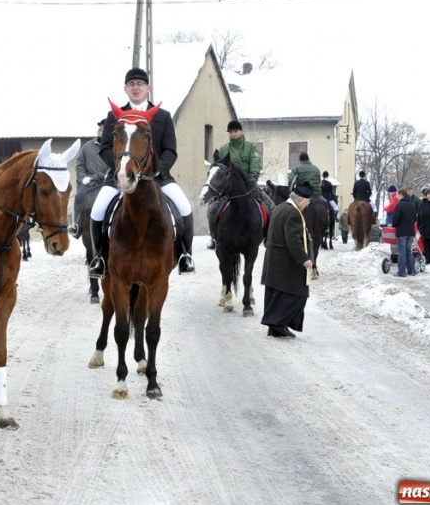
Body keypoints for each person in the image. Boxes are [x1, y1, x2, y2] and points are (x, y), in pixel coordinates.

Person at [87, 67, 195, 277]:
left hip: (157, 178)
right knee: (97, 210)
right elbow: (105, 147)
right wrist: (120, 168)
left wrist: (156, 171)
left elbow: (171, 150)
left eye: (140, 84)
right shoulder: (114, 115)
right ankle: (99, 257)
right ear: (125, 89)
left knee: (185, 207)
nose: (135, 88)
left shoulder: (163, 117)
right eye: (131, 84)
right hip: (121, 176)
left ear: (148, 88)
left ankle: (184, 255)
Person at [206, 120, 275, 249]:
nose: (233, 134)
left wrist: (253, 175)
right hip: (228, 188)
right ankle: (214, 237)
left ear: (241, 132)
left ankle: (269, 237)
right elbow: (216, 167)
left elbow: (255, 163)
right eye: (230, 132)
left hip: (248, 185)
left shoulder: (250, 148)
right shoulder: (223, 150)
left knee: (271, 207)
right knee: (211, 210)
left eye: (235, 131)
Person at [260, 182, 314, 338]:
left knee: (277, 294)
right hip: (284, 262)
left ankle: (276, 326)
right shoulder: (293, 213)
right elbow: (293, 240)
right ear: (300, 200)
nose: (308, 204)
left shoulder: (280, 207)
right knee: (299, 294)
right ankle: (278, 324)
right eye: (308, 201)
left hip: (275, 261)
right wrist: (304, 259)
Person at [69, 120, 108, 239]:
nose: (101, 129)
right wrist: (83, 177)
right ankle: (77, 225)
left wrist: (110, 175)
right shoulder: (87, 147)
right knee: (79, 196)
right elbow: (80, 164)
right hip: (90, 183)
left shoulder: (114, 146)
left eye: (104, 127)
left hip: (108, 182)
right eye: (100, 127)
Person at [391, 188, 418, 277]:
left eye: (398, 195)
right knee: (408, 251)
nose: (397, 196)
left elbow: (396, 219)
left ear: (401, 195)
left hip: (402, 232)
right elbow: (415, 219)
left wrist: (394, 225)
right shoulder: (412, 205)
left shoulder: (399, 205)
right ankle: (411, 270)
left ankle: (401, 272)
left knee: (402, 252)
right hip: (411, 232)